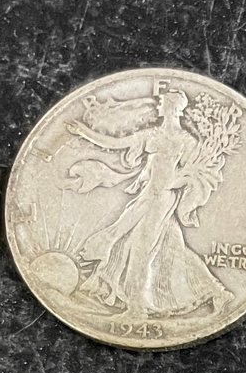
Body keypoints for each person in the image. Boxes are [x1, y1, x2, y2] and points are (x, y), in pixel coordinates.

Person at [66, 81, 232, 316]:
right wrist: (84, 132)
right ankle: (218, 293)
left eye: (163, 103)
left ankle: (137, 307)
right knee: (170, 248)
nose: (160, 105)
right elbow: (116, 144)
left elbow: (197, 172)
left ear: (174, 108)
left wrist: (175, 182)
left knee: (140, 248)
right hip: (147, 196)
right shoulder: (152, 135)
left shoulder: (186, 141)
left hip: (162, 200)